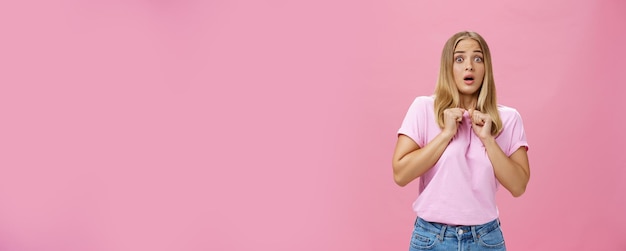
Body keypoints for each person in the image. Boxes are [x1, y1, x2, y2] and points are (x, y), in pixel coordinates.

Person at [392, 31, 530, 251]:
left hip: (485, 239)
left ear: (486, 68)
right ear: (449, 67)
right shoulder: (423, 108)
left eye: (477, 58)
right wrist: (446, 134)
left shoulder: (508, 118)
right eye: (459, 59)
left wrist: (488, 139)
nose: (469, 66)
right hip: (431, 239)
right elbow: (401, 174)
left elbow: (518, 186)